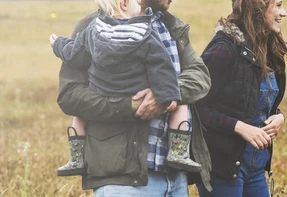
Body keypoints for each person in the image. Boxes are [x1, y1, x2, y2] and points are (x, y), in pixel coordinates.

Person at [55, 0, 212, 197]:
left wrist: (164, 93)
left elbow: (200, 77)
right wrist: (129, 106)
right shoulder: (95, 25)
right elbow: (70, 95)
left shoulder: (171, 25)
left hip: (173, 175)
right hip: (125, 176)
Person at [188, 0, 287, 197]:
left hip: (255, 167)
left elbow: (256, 102)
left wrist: (279, 117)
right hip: (223, 167)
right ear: (257, 8)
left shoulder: (270, 48)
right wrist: (239, 127)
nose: (283, 13)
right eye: (278, 5)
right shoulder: (224, 49)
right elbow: (196, 105)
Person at [50, 0, 202, 176]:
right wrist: (158, 96)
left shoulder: (94, 28)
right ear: (124, 4)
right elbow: (161, 65)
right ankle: (178, 152)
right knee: (180, 105)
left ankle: (76, 158)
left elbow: (73, 53)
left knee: (79, 118)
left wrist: (58, 44)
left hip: (172, 177)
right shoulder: (144, 30)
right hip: (122, 176)